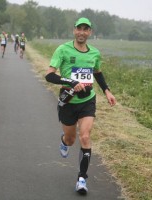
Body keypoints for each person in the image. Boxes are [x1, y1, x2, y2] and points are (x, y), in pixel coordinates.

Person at [45, 17, 116, 195]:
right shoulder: (63, 49)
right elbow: (49, 76)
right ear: (74, 30)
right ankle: (64, 141)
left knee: (85, 136)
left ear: (90, 32)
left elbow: (97, 73)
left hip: (87, 101)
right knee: (71, 139)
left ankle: (82, 179)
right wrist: (71, 81)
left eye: (86, 29)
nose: (82, 32)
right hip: (68, 101)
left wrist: (107, 91)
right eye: (79, 28)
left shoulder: (95, 53)